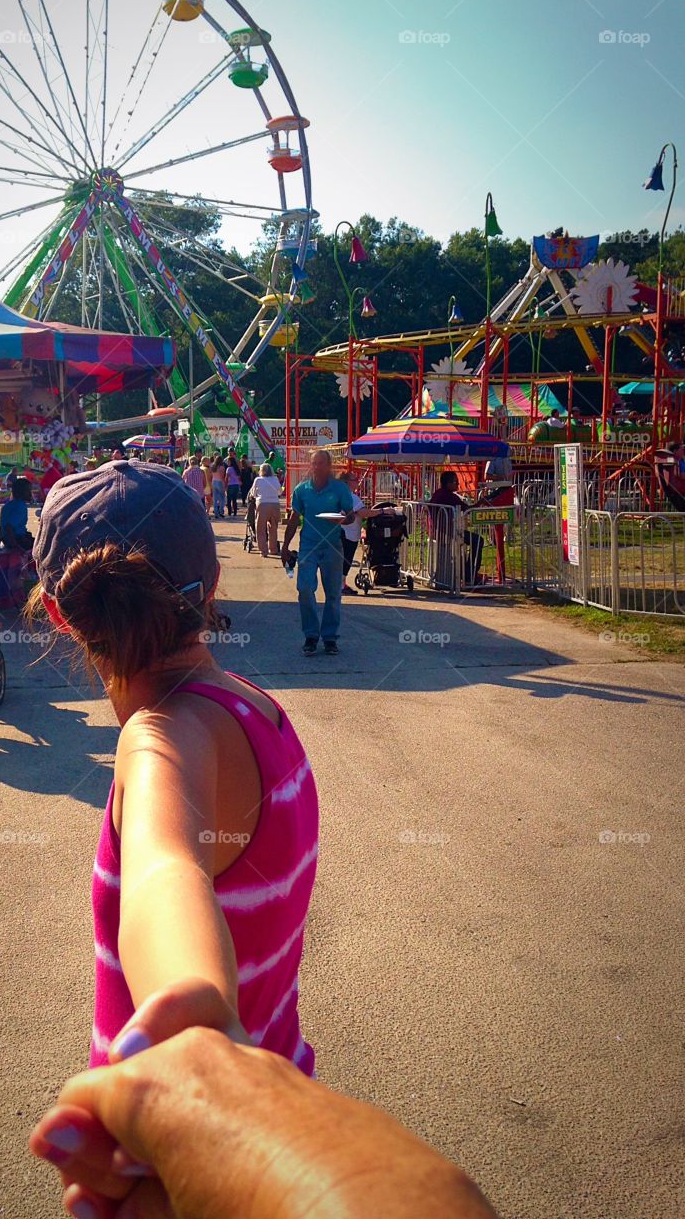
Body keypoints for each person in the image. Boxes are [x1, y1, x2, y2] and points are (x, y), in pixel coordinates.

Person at [28, 462, 319, 1196]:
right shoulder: (252, 708)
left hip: (186, 1141)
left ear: (60, 615)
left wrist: (197, 1031)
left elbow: (165, 869)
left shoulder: (160, 740)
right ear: (213, 580)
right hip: (270, 1092)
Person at [29, 989, 499, 1219]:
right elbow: (168, 873)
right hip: (269, 1085)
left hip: (229, 1097)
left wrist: (214, 1089)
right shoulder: (182, 789)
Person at [281, 449, 355, 656]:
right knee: (304, 589)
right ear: (310, 466)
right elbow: (294, 518)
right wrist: (285, 547)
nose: (317, 467)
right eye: (314, 463)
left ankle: (330, 638)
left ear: (329, 465)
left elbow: (350, 516)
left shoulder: (340, 489)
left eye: (322, 463)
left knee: (333, 594)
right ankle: (311, 635)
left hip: (332, 546)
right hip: (308, 547)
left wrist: (342, 519)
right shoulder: (302, 490)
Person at [247, 462, 283, 557]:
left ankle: (264, 551)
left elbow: (253, 494)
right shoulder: (275, 479)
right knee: (273, 528)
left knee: (260, 528)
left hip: (262, 504)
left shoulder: (258, 480)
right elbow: (279, 492)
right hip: (275, 504)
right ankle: (273, 549)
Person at [338, 470, 365, 596]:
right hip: (349, 533)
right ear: (346, 482)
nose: (357, 482)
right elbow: (363, 512)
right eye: (354, 480)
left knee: (344, 559)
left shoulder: (339, 495)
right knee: (346, 558)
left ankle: (341, 584)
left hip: (345, 531)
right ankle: (341, 585)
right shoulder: (352, 497)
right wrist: (382, 511)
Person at [0, 475, 34, 550]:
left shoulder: (6, 506)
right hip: (17, 539)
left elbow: (1, 529)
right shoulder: (20, 506)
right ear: (22, 492)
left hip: (7, 540)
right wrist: (16, 546)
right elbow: (8, 527)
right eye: (29, 491)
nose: (31, 494)